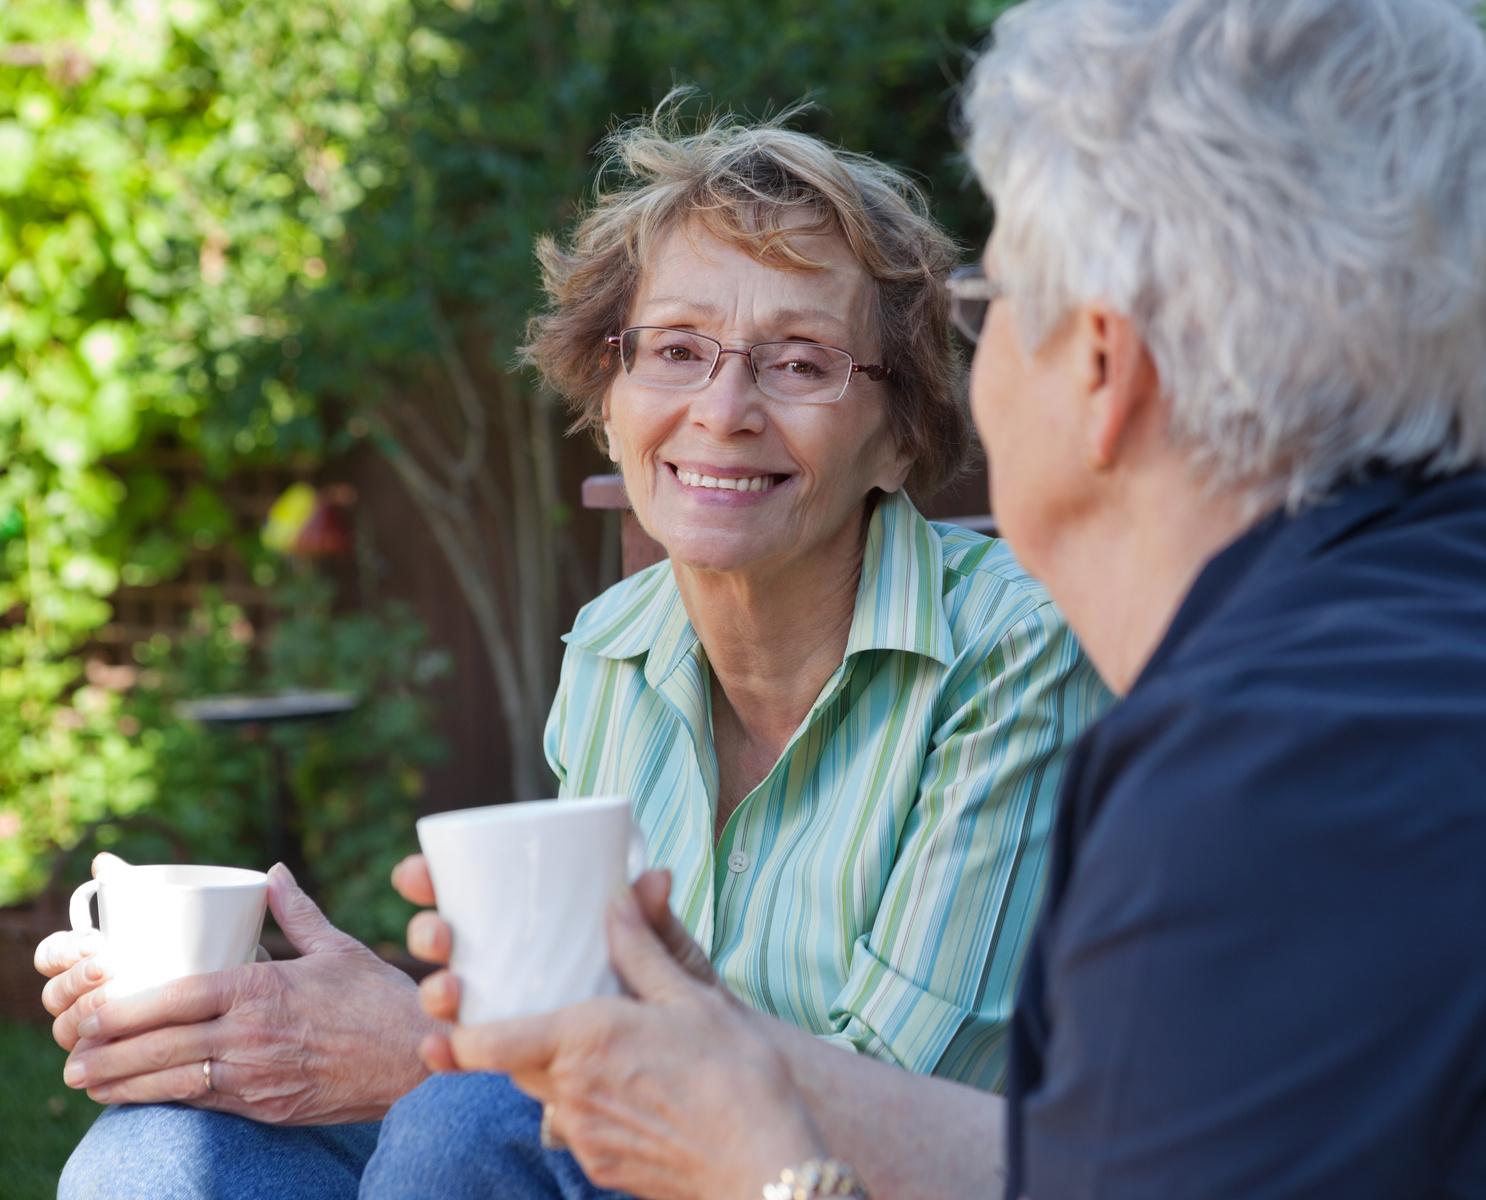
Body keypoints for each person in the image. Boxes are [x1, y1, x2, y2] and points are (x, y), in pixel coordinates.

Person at [414, 1, 1486, 1197]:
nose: (970, 354)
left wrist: (762, 1170)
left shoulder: (1268, 772)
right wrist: (731, 1046)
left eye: (992, 297)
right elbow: (1111, 1167)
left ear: (1101, 369)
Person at [40, 114, 1109, 1199]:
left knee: (467, 1120)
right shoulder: (611, 654)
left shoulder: (1015, 654)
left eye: (800, 363)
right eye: (678, 351)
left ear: (897, 435)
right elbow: (566, 1018)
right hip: (623, 1156)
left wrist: (425, 1043)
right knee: (157, 1155)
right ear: (609, 406)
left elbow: (891, 1102)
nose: (723, 410)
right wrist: (284, 1029)